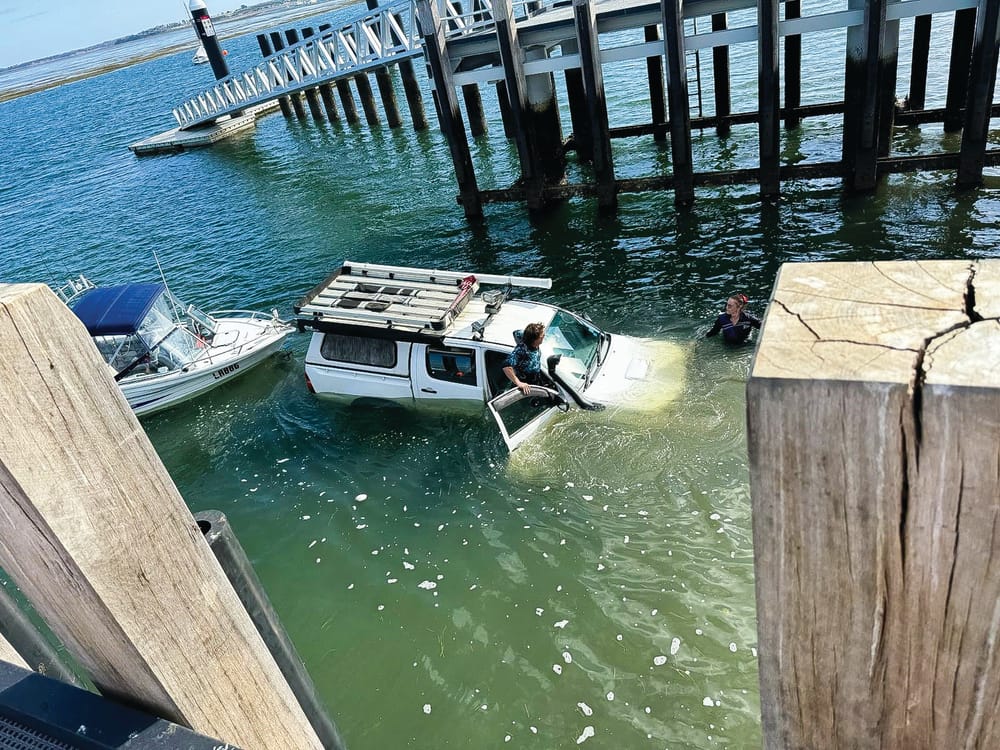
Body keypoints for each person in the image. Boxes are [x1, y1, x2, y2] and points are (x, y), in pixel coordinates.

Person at [503, 322, 546, 394]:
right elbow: (506, 367)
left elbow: (516, 332)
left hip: (537, 378)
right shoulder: (521, 351)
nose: (544, 336)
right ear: (534, 339)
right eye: (541, 336)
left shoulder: (525, 336)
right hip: (526, 386)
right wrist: (519, 383)